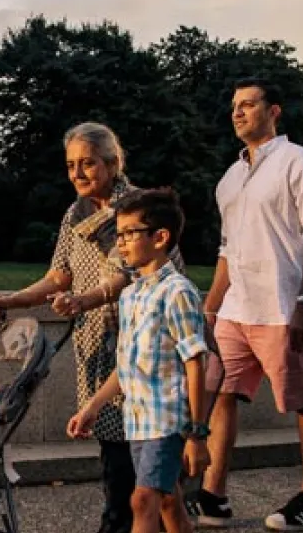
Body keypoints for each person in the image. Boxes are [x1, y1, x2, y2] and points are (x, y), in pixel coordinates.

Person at [0, 122, 182, 533]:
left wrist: (83, 301)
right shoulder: (76, 212)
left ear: (112, 163)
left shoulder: (137, 209)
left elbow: (129, 273)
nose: (78, 173)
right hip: (97, 343)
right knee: (121, 453)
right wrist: (12, 300)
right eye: (71, 165)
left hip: (142, 340)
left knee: (136, 458)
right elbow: (59, 276)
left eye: (88, 163)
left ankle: (122, 523)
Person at [195, 78, 303, 531]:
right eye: (234, 106)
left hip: (283, 306)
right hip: (236, 309)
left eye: (249, 104)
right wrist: (211, 308)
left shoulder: (301, 161)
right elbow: (226, 250)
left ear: (274, 111)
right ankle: (213, 495)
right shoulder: (229, 178)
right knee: (220, 393)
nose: (238, 112)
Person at [68, 188, 209, 533]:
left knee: (142, 500)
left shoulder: (177, 292)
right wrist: (93, 406)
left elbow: (196, 362)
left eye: (130, 234)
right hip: (138, 419)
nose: (122, 243)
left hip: (168, 418)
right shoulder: (130, 295)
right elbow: (126, 366)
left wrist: (198, 433)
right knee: (168, 501)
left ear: (160, 237)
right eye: (119, 234)